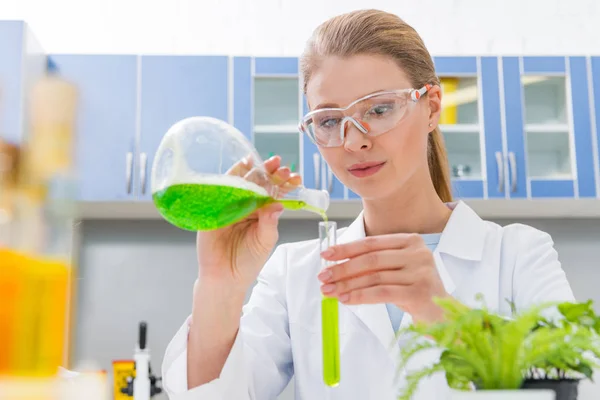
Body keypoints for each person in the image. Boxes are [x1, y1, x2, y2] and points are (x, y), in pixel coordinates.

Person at [161, 9, 575, 400]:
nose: (353, 140)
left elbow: (580, 383)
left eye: (378, 109)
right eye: (328, 120)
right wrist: (220, 284)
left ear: (432, 107)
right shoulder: (296, 273)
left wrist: (444, 313)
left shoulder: (518, 254)